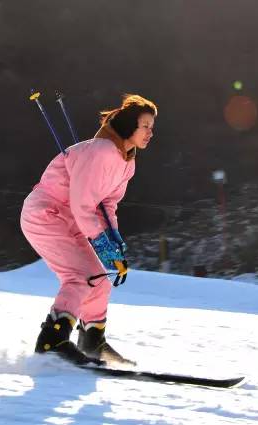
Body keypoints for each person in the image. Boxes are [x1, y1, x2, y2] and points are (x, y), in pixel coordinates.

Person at [20, 94, 157, 366]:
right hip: (46, 213)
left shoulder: (127, 162)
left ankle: (92, 341)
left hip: (70, 218)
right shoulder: (100, 152)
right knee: (80, 275)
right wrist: (103, 246)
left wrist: (114, 244)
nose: (150, 133)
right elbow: (83, 205)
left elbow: (107, 205)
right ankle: (51, 341)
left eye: (152, 128)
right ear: (130, 125)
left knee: (99, 276)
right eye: (145, 126)